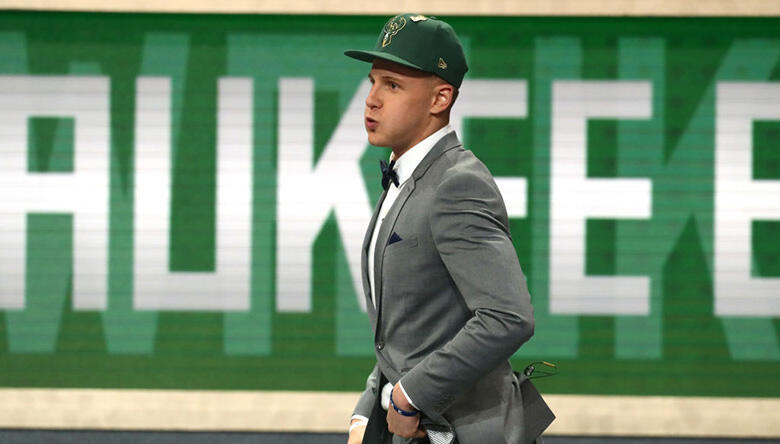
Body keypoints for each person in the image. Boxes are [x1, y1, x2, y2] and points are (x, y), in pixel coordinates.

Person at [344, 13, 554, 444]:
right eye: (373, 82)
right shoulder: (406, 178)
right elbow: (408, 332)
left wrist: (409, 396)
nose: (371, 100)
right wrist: (367, 411)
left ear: (440, 98)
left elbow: (508, 317)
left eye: (393, 85)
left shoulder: (457, 184)